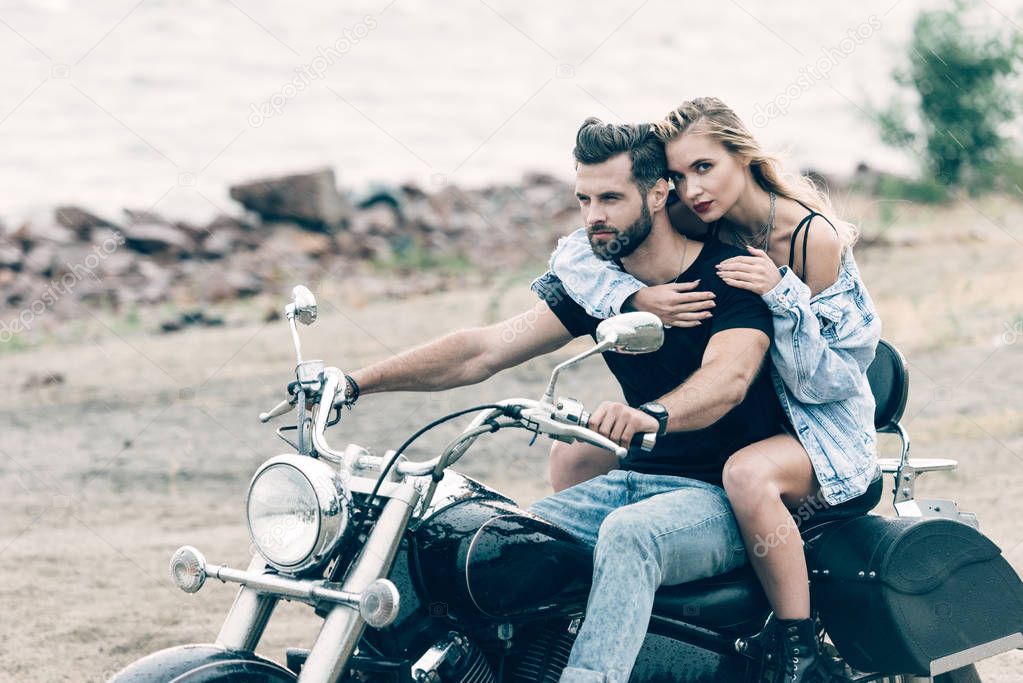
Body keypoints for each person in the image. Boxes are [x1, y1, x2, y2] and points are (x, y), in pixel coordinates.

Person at [341, 117, 788, 681]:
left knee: (630, 537)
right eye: (584, 198)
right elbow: (482, 350)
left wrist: (650, 414)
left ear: (656, 194)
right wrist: (355, 382)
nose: (594, 214)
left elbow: (728, 379)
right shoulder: (601, 285)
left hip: (725, 497)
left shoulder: (728, 275)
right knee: (497, 541)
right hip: (636, 480)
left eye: (610, 198)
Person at [545, 97, 882, 683]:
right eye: (676, 175)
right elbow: (581, 249)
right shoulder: (705, 218)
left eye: (704, 167)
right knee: (575, 450)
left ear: (742, 155)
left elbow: (826, 378)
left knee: (746, 475)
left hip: (818, 425)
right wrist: (631, 299)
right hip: (757, 413)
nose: (690, 189)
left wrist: (781, 295)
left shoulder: (812, 239)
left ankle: (796, 644)